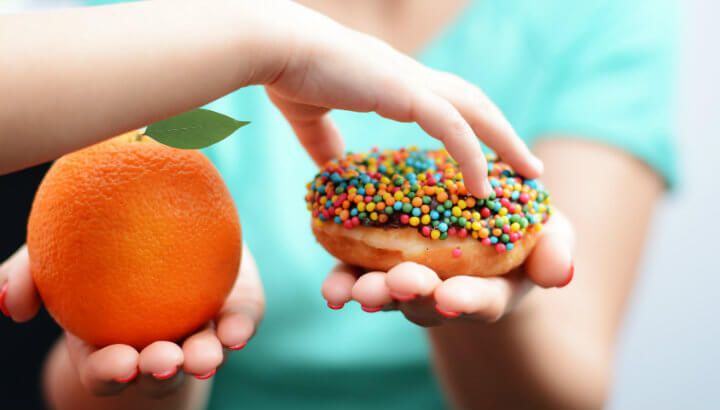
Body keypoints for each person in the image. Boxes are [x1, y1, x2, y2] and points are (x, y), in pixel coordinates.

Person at [0, 0, 674, 409]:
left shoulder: (599, 15)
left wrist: (472, 305)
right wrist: (160, 373)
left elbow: (568, 394)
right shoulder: (153, 20)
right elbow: (73, 385)